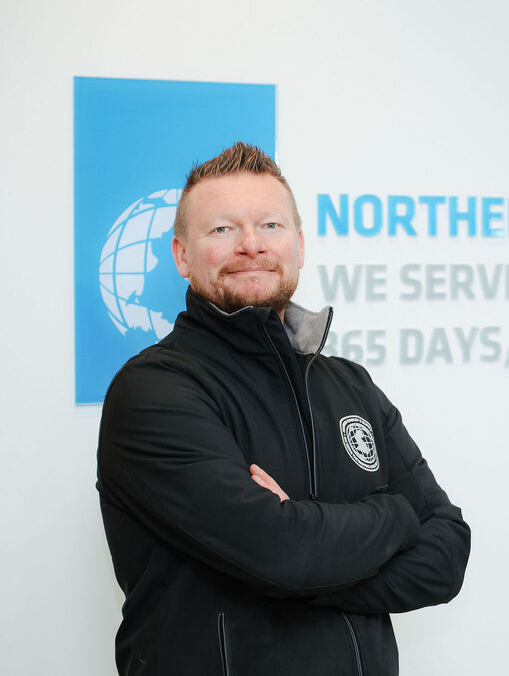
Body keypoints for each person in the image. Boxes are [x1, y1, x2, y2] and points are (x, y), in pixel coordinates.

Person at [96, 142, 471, 676]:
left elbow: (446, 556)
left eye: (270, 225)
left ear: (298, 244)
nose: (251, 245)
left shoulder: (350, 385)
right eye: (222, 229)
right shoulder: (155, 391)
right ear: (181, 255)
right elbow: (281, 555)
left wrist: (300, 560)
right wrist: (395, 514)